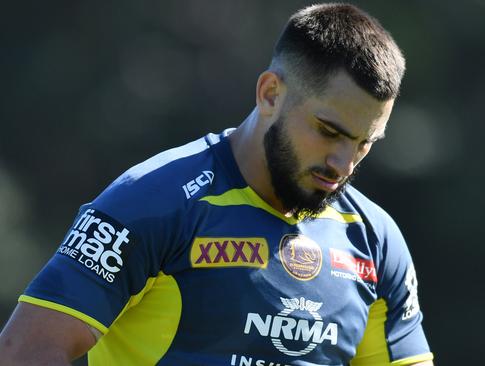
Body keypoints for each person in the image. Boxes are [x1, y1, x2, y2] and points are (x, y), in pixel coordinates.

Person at [0, 3, 434, 365]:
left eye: (364, 143)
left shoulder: (375, 240)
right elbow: (25, 351)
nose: (343, 163)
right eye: (328, 130)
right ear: (270, 94)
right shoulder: (150, 201)